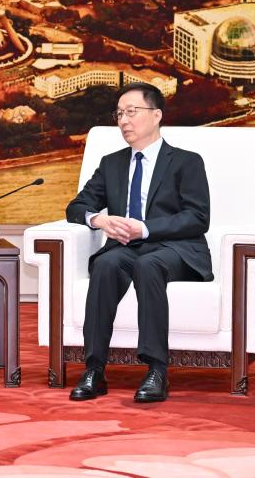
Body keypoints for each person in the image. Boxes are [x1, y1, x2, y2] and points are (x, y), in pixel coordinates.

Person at [65, 82, 211, 403]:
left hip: (175, 249)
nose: (124, 120)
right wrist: (100, 220)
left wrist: (144, 229)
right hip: (126, 249)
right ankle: (94, 370)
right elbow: (76, 207)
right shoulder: (111, 163)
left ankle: (157, 370)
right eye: (119, 114)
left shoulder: (187, 162)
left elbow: (197, 218)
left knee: (148, 264)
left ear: (156, 115)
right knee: (105, 264)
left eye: (131, 112)